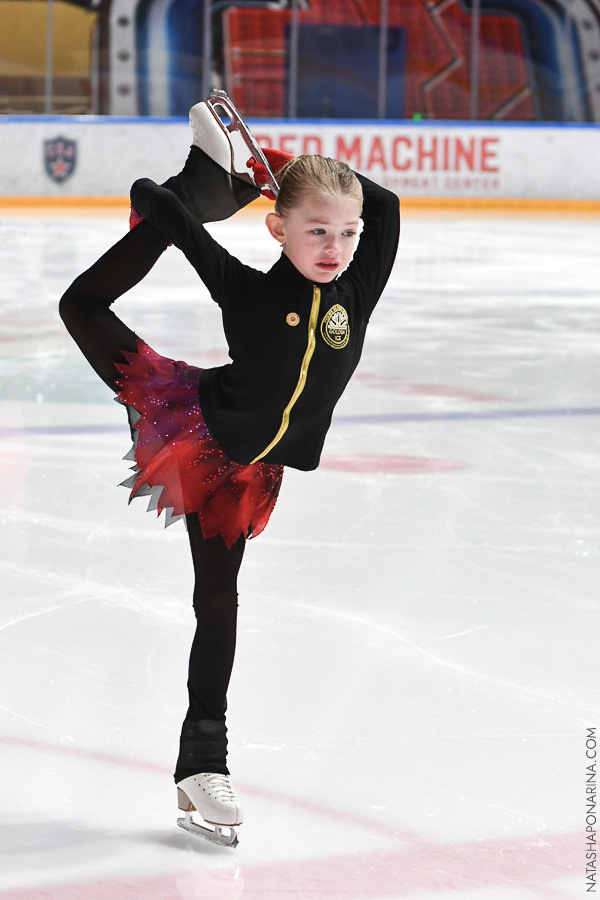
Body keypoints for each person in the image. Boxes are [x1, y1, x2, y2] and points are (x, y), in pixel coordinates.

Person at [59, 104, 400, 847]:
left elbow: (389, 204)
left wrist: (273, 163)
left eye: (346, 233)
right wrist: (175, 192)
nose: (336, 246)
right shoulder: (249, 293)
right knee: (80, 304)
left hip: (250, 470)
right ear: (276, 229)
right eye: (315, 229)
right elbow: (168, 214)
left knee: (218, 599)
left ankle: (197, 765)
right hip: (194, 427)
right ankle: (206, 758)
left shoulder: (357, 291)